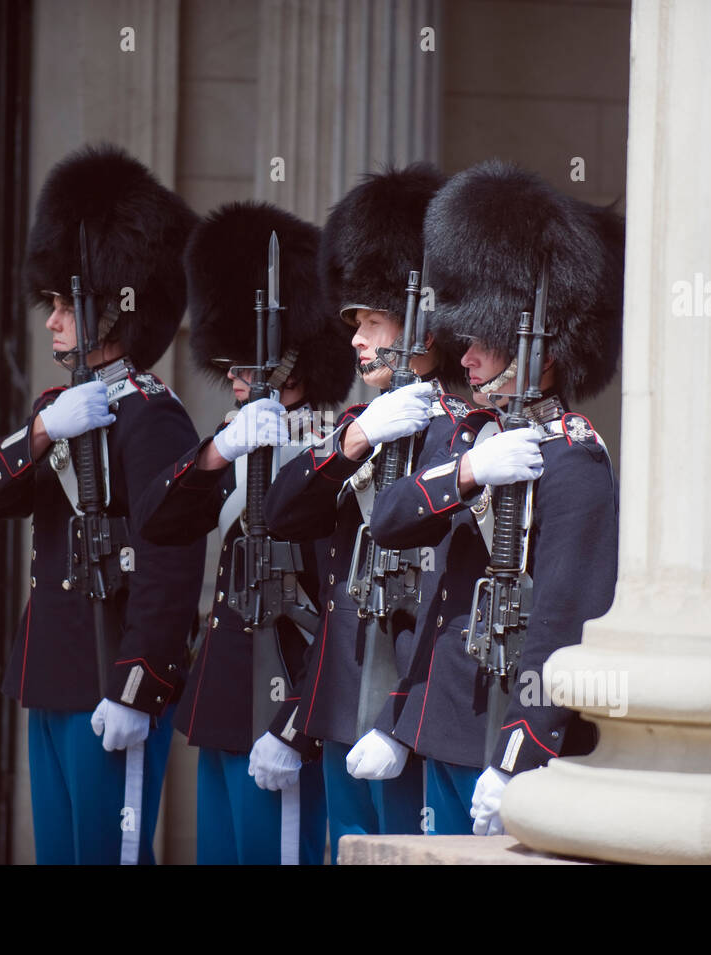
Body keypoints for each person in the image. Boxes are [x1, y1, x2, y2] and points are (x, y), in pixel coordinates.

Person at [0, 144, 204, 864]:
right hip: (53, 678)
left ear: (110, 309)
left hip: (111, 679)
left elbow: (170, 559)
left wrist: (138, 684)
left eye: (67, 305)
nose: (53, 322)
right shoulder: (56, 411)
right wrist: (41, 430)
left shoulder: (155, 418)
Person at [366, 159, 625, 836]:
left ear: (540, 352)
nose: (469, 355)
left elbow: (563, 623)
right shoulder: (478, 439)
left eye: (488, 340)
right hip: (441, 727)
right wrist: (471, 471)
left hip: (503, 736)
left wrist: (519, 754)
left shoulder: (575, 461)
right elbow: (391, 522)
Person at [258, 165, 474, 862]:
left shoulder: (465, 429)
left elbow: (454, 597)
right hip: (346, 699)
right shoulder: (363, 420)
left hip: (414, 710)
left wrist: (401, 718)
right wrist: (356, 439)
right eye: (355, 322)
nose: (355, 338)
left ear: (420, 319)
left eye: (372, 321)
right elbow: (283, 511)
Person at [134, 201, 354, 865]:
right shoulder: (242, 445)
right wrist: (215, 453)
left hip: (282, 707)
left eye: (243, 366)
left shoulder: (330, 454)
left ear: (292, 364)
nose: (231, 378)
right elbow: (157, 521)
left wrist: (294, 728)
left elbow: (339, 610)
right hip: (226, 704)